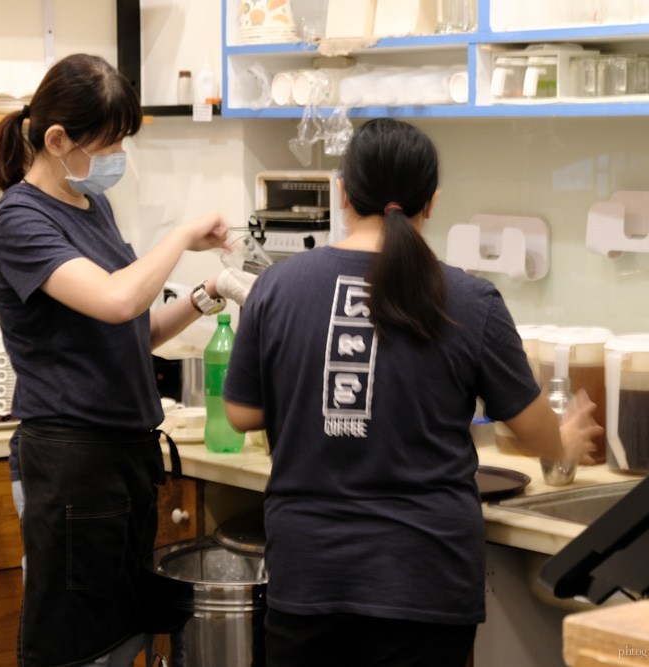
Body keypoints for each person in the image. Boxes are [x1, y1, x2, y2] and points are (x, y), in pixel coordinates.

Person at [222, 118, 601, 667]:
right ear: (432, 203)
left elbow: (241, 413)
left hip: (310, 575)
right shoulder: (471, 299)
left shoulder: (278, 286)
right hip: (424, 581)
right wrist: (562, 442)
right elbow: (532, 429)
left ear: (344, 194)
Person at [0, 53, 233, 667]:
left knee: (123, 640)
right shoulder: (19, 219)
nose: (118, 156)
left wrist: (207, 294)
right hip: (73, 463)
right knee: (79, 645)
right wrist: (179, 236)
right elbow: (119, 300)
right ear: (56, 140)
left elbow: (135, 330)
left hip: (124, 459)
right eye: (109, 143)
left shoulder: (95, 209)